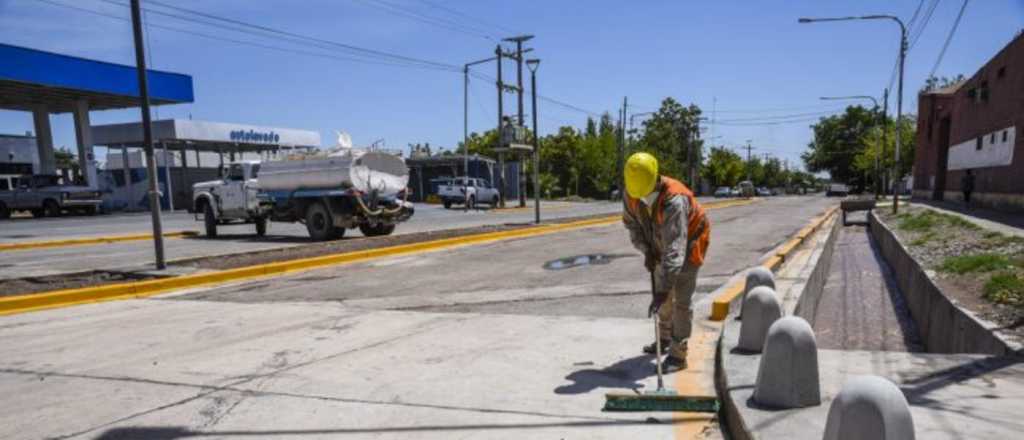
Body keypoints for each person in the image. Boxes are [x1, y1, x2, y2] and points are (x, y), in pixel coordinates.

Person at [622, 152, 710, 372]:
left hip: (690, 242)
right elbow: (632, 225)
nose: (641, 197)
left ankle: (679, 355)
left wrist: (664, 289)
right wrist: (647, 251)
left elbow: (675, 249)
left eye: (646, 193)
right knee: (662, 295)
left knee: (680, 298)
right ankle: (664, 339)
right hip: (661, 241)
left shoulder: (675, 201)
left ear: (655, 180)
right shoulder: (632, 192)